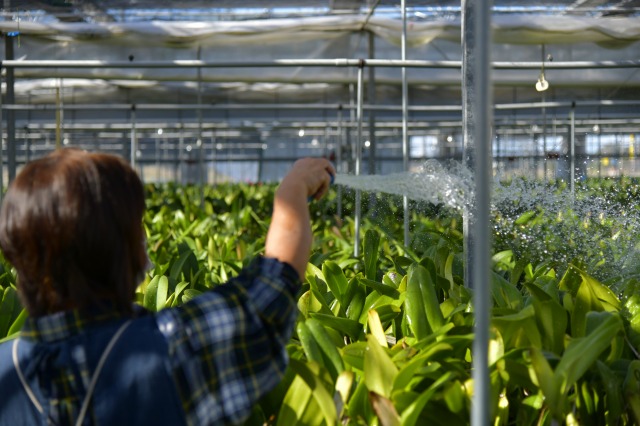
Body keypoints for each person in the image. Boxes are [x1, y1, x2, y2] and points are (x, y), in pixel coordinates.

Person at [0, 148, 335, 425]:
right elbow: (273, 287)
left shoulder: (6, 370)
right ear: (122, 252)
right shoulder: (172, 349)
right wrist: (293, 187)